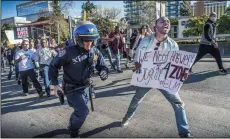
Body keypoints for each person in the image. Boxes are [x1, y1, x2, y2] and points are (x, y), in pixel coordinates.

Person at [121, 17, 192, 138]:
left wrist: (182, 72)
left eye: (168, 22)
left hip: (164, 79)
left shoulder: (173, 45)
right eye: (162, 21)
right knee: (137, 99)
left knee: (178, 104)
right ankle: (127, 117)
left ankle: (184, 133)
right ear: (155, 27)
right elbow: (137, 59)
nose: (166, 23)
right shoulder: (145, 41)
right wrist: (138, 67)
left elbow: (176, 65)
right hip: (147, 78)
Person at [49, 21, 109, 138]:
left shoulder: (95, 51)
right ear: (78, 39)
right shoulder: (68, 52)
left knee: (80, 111)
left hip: (86, 88)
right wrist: (54, 85)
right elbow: (52, 66)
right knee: (83, 111)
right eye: (86, 41)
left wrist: (104, 72)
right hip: (71, 89)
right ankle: (73, 130)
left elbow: (103, 66)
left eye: (91, 40)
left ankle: (72, 123)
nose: (89, 44)